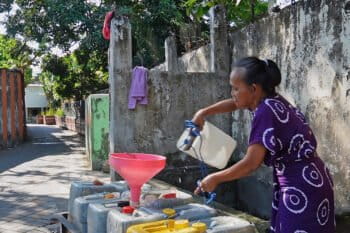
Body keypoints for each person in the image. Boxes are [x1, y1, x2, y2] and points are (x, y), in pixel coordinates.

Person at [192, 57, 335, 233]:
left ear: (253, 89)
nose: (232, 93)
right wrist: (203, 113)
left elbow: (251, 163)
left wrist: (215, 178)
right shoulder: (270, 100)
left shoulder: (265, 112)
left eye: (236, 88)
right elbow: (235, 103)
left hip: (301, 186)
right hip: (312, 178)